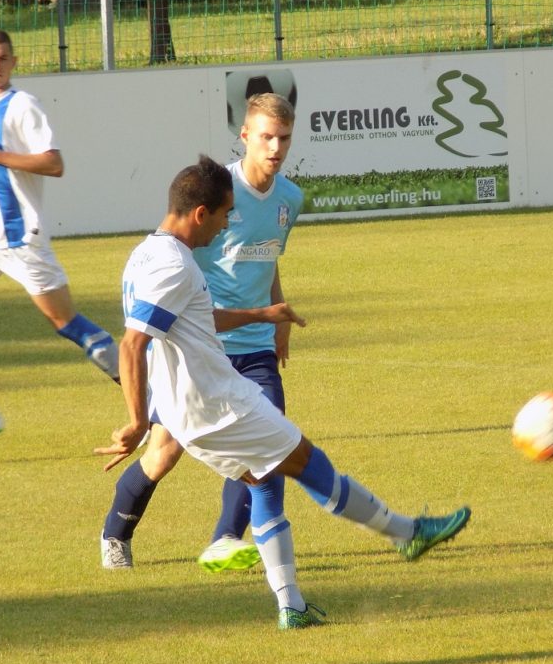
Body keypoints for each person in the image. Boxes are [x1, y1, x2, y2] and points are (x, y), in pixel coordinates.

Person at [95, 158, 471, 630]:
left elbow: (195, 318)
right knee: (310, 464)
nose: (229, 222)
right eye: (225, 214)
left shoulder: (147, 254)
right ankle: (406, 534)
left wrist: (259, 315)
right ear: (199, 214)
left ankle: (291, 606)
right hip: (219, 406)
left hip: (192, 410)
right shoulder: (172, 264)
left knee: (265, 481)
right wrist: (134, 421)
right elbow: (133, 343)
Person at [98, 93, 302, 574]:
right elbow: (174, 261)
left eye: (285, 138)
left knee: (267, 441)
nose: (275, 148)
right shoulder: (214, 194)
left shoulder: (289, 198)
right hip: (196, 349)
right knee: (163, 454)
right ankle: (115, 533)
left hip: (253, 347)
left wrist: (275, 318)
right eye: (267, 137)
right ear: (245, 137)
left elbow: (269, 257)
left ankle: (226, 539)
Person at [0, 29, 119, 451]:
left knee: (67, 323)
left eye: (3, 58)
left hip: (18, 237)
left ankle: (150, 403)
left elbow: (53, 163)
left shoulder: (22, 105)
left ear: (13, 62)